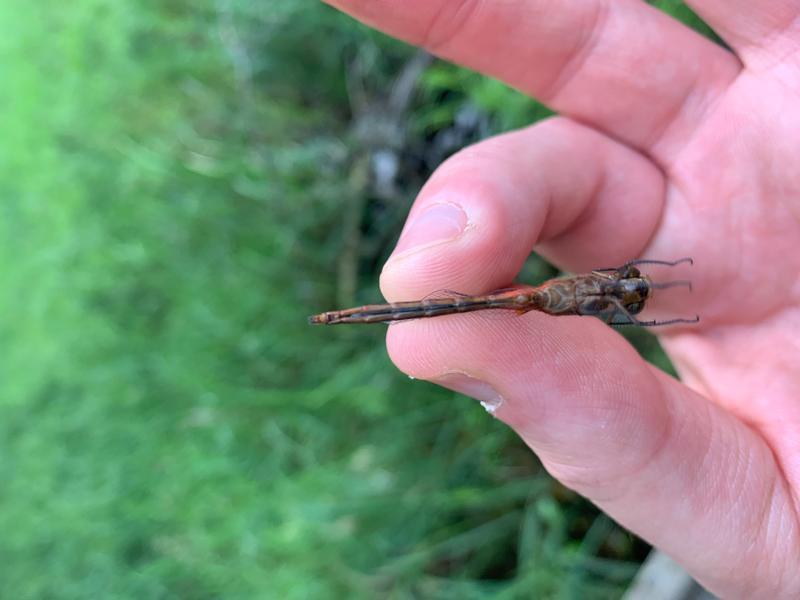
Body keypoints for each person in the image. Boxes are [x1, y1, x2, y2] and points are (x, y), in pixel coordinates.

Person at [322, 1, 800, 597]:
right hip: (540, 299)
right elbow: (630, 287)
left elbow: (630, 287)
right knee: (440, 305)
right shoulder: (593, 293)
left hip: (548, 298)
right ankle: (351, 314)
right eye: (627, 288)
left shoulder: (607, 291)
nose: (626, 291)